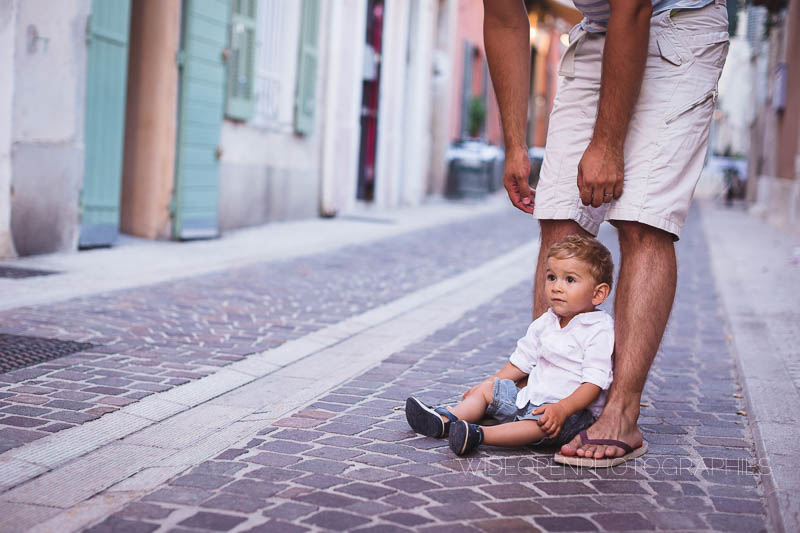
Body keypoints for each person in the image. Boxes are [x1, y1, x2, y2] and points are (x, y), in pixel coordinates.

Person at [483, 0, 728, 464]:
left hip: (676, 30)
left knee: (641, 219)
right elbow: (501, 16)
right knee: (559, 222)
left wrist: (607, 143)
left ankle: (620, 413)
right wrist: (515, 144)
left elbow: (632, 8)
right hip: (596, 34)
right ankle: (551, 400)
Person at [406, 236, 645, 463]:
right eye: (551, 277)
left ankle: (477, 435)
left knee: (537, 425)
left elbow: (593, 385)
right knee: (489, 388)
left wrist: (562, 409)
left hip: (567, 414)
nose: (557, 287)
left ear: (598, 293)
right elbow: (520, 363)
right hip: (527, 398)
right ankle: (447, 420)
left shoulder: (599, 329)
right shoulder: (546, 321)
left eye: (569, 280)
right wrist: (488, 384)